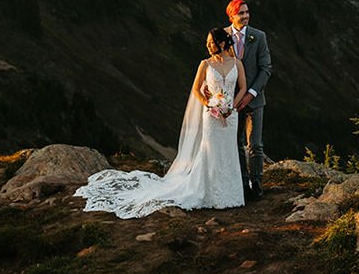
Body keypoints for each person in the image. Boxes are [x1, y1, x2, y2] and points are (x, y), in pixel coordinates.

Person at [74, 29, 247, 216]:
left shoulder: (237, 64)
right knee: (211, 152)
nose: (207, 45)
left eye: (211, 42)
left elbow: (243, 86)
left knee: (228, 151)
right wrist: (210, 105)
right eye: (207, 42)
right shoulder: (205, 64)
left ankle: (231, 194)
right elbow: (196, 90)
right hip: (211, 115)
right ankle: (212, 194)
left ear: (222, 43)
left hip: (231, 116)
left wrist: (232, 107)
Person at [224, 0, 272, 201]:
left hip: (254, 100)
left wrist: (251, 93)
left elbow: (266, 68)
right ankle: (242, 184)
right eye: (241, 13)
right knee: (236, 144)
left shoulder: (258, 36)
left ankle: (257, 185)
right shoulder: (222, 36)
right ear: (231, 16)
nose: (245, 16)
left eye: (247, 12)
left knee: (255, 145)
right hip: (232, 101)